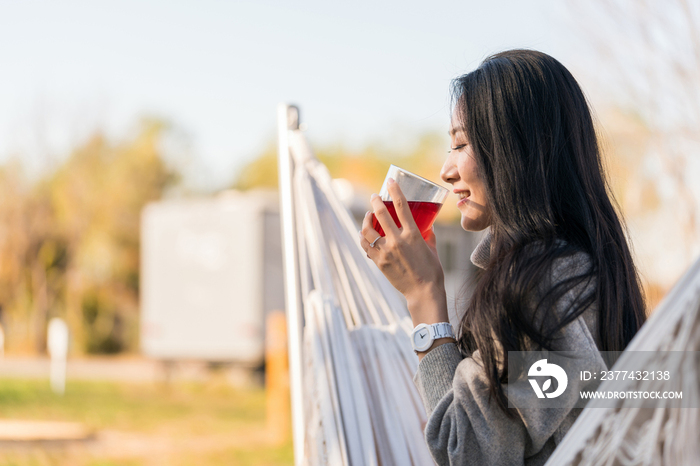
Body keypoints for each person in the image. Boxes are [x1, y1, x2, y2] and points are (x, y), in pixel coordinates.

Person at [359, 49, 647, 465]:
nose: (445, 170)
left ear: (518, 149)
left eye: (461, 143)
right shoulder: (584, 265)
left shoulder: (539, 285)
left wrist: (424, 298)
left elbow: (467, 452)